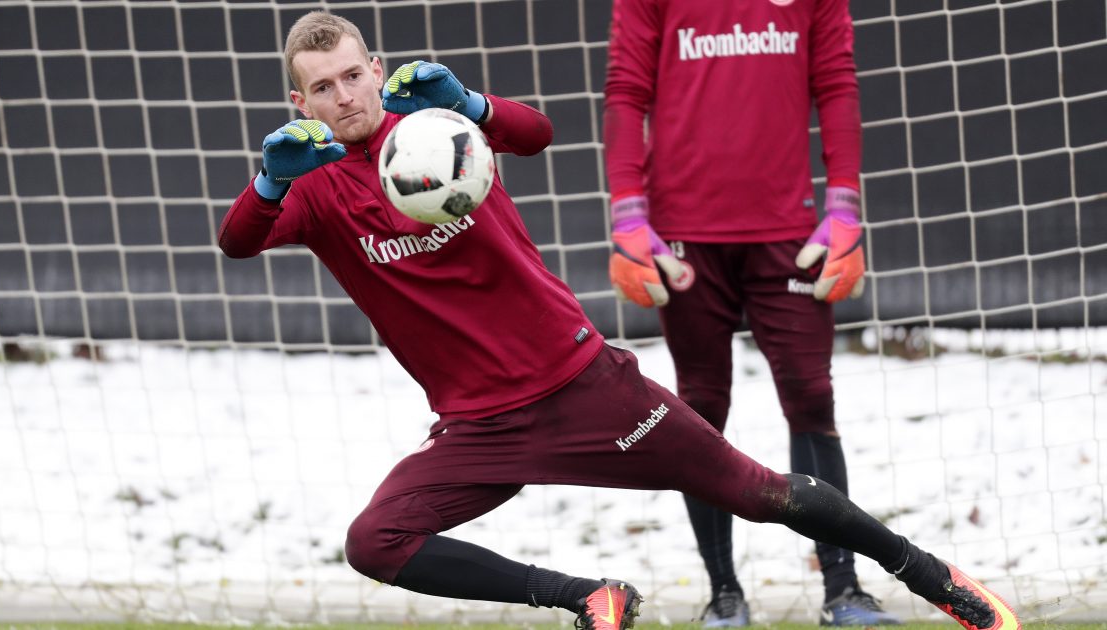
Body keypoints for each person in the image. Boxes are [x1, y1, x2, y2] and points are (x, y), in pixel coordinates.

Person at [217, 11, 1018, 630]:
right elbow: (237, 242)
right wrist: (267, 182)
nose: (344, 96)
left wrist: (470, 102)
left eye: (353, 75)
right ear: (301, 101)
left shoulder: (436, 135)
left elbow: (533, 135)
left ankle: (934, 579)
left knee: (759, 490)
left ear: (376, 70)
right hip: (477, 426)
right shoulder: (313, 188)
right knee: (374, 543)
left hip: (582, 386)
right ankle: (588, 597)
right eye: (323, 88)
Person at [602, 0, 888, 625]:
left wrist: (844, 204)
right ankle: (723, 594)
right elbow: (626, 92)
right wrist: (627, 213)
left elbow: (836, 84)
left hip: (789, 232)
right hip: (683, 239)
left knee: (812, 397)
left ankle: (843, 589)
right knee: (699, 406)